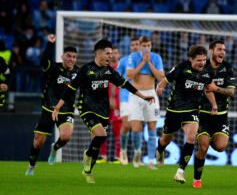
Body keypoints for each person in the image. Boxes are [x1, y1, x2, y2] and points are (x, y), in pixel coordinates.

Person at [52, 39, 154, 184]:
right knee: (101, 134)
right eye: (107, 53)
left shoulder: (109, 71)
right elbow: (70, 89)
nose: (110, 56)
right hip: (86, 108)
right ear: (98, 53)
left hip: (103, 110)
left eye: (111, 54)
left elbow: (125, 84)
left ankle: (87, 169)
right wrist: (57, 107)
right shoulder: (86, 69)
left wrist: (143, 96)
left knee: (98, 141)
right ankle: (87, 159)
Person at [156, 45, 217, 184]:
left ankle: (180, 171)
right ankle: (160, 149)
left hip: (192, 110)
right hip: (174, 110)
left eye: (203, 60)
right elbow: (166, 79)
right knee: (166, 139)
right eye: (198, 60)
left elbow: (208, 89)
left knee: (191, 138)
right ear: (191, 59)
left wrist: (214, 105)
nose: (202, 63)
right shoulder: (182, 67)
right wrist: (160, 87)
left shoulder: (207, 72)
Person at [25, 34, 79, 176]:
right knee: (38, 142)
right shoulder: (54, 68)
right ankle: (31, 166)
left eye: (74, 56)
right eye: (68, 56)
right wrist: (49, 44)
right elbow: (43, 61)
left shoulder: (78, 72)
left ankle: (54, 148)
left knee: (66, 136)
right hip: (48, 108)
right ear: (62, 57)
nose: (71, 59)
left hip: (66, 110)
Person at [193, 40, 236, 188]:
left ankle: (207, 138)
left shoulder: (227, 68)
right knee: (203, 147)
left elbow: (231, 92)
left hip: (221, 116)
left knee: (221, 147)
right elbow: (201, 87)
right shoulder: (202, 66)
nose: (222, 52)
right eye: (219, 49)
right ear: (211, 51)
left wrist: (216, 88)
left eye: (224, 50)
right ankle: (197, 179)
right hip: (203, 114)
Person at [126, 35, 164, 169]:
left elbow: (161, 77)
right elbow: (129, 75)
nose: (146, 48)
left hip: (151, 94)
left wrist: (149, 63)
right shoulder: (134, 57)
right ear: (140, 46)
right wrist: (142, 62)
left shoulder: (156, 58)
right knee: (136, 128)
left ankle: (151, 160)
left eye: (148, 46)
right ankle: (137, 154)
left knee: (152, 128)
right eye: (144, 46)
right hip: (136, 94)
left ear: (151, 46)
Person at [98, 46, 122, 163]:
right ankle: (103, 156)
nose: (113, 55)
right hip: (104, 102)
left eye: (116, 53)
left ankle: (118, 157)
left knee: (118, 129)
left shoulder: (121, 68)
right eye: (111, 53)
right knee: (102, 128)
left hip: (118, 102)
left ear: (119, 55)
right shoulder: (104, 69)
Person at [118, 37, 140, 165]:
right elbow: (116, 77)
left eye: (137, 44)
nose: (135, 46)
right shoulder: (124, 61)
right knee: (126, 125)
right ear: (130, 46)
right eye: (132, 45)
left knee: (137, 127)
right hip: (126, 96)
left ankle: (137, 153)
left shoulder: (145, 61)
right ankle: (123, 151)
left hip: (140, 98)